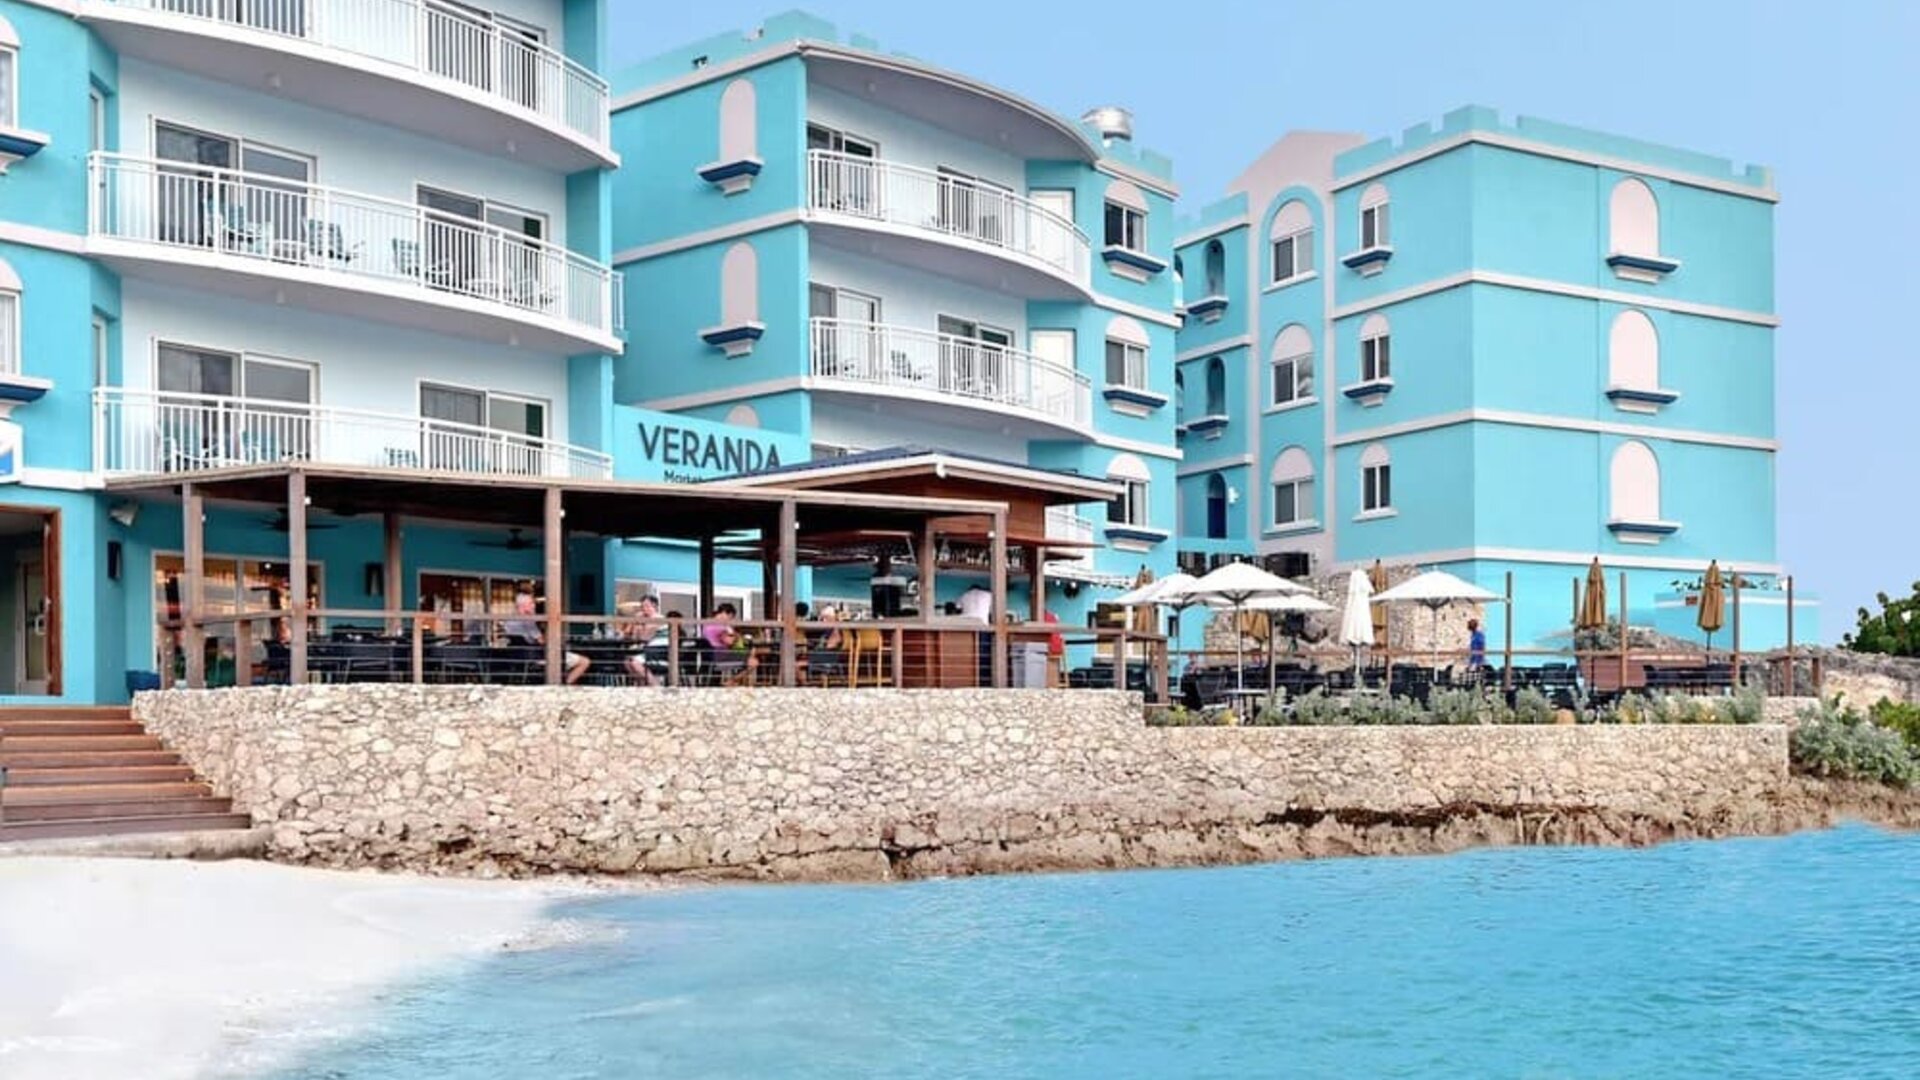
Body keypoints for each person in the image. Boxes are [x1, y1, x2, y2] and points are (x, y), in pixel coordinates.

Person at [502, 591, 591, 684]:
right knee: (584, 661)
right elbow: (542, 641)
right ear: (523, 606)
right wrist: (546, 629)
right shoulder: (528, 621)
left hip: (522, 658)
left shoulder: (509, 621)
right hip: (539, 657)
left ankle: (565, 683)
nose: (534, 606)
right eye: (531, 603)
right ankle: (565, 685)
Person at [700, 602, 758, 684]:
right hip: (720, 655)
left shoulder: (708, 623)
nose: (730, 620)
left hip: (713, 655)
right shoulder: (720, 626)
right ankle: (732, 681)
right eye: (730, 617)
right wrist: (737, 635)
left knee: (749, 654)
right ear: (725, 613)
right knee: (753, 661)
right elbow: (730, 641)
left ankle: (733, 681)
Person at [623, 595, 663, 686]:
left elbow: (645, 637)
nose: (644, 609)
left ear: (654, 606)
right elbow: (632, 637)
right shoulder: (642, 620)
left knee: (634, 663)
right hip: (645, 649)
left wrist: (640, 624)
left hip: (658, 651)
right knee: (627, 662)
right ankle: (642, 687)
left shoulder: (658, 619)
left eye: (646, 606)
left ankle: (655, 686)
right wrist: (633, 622)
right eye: (642, 606)